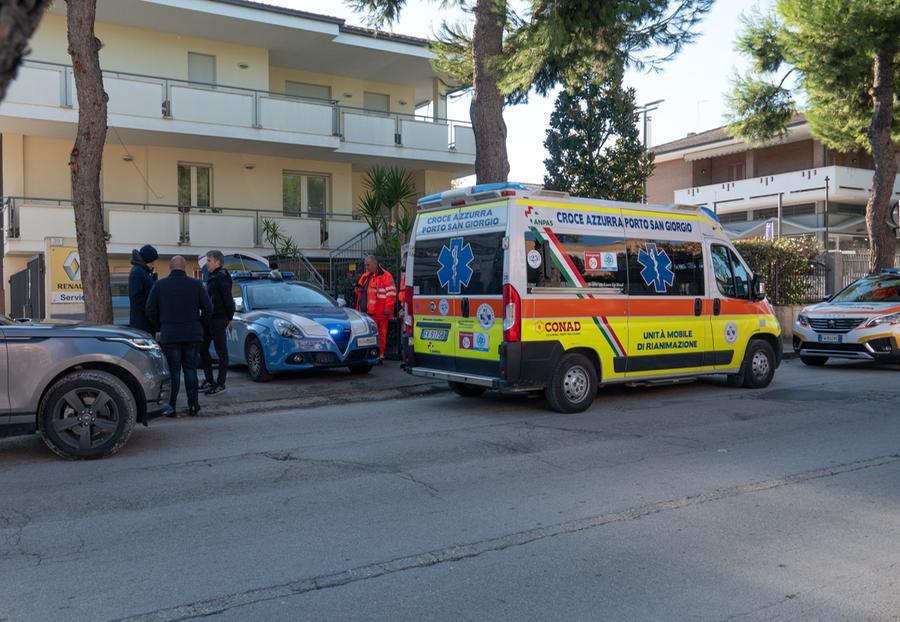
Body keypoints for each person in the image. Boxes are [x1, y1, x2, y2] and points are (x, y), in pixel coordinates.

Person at [146, 255, 212, 417]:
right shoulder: (196, 285)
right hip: (192, 334)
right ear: (185, 268)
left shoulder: (160, 285)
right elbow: (209, 308)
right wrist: (200, 325)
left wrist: (160, 325)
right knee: (191, 370)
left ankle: (171, 406)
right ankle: (193, 405)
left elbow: (150, 310)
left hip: (170, 334)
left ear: (170, 268)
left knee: (174, 372)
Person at [199, 250, 235, 395]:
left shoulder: (222, 277)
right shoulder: (212, 276)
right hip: (208, 319)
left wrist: (229, 318)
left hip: (219, 319)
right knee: (202, 349)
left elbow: (228, 299)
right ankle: (209, 380)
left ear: (217, 262)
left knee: (222, 352)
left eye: (208, 260)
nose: (206, 263)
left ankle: (220, 384)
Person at [355, 255, 396, 362]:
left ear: (375, 263)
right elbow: (358, 291)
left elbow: (391, 293)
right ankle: (369, 354)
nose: (366, 267)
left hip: (380, 312)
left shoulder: (386, 276)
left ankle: (380, 355)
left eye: (368, 265)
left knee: (381, 334)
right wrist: (357, 289)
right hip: (366, 312)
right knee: (368, 336)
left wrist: (388, 308)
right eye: (365, 265)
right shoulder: (365, 276)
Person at [128, 244, 158, 333]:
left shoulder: (143, 272)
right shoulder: (137, 272)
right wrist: (150, 310)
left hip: (145, 321)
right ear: (148, 260)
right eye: (152, 261)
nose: (153, 264)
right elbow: (136, 297)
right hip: (141, 323)